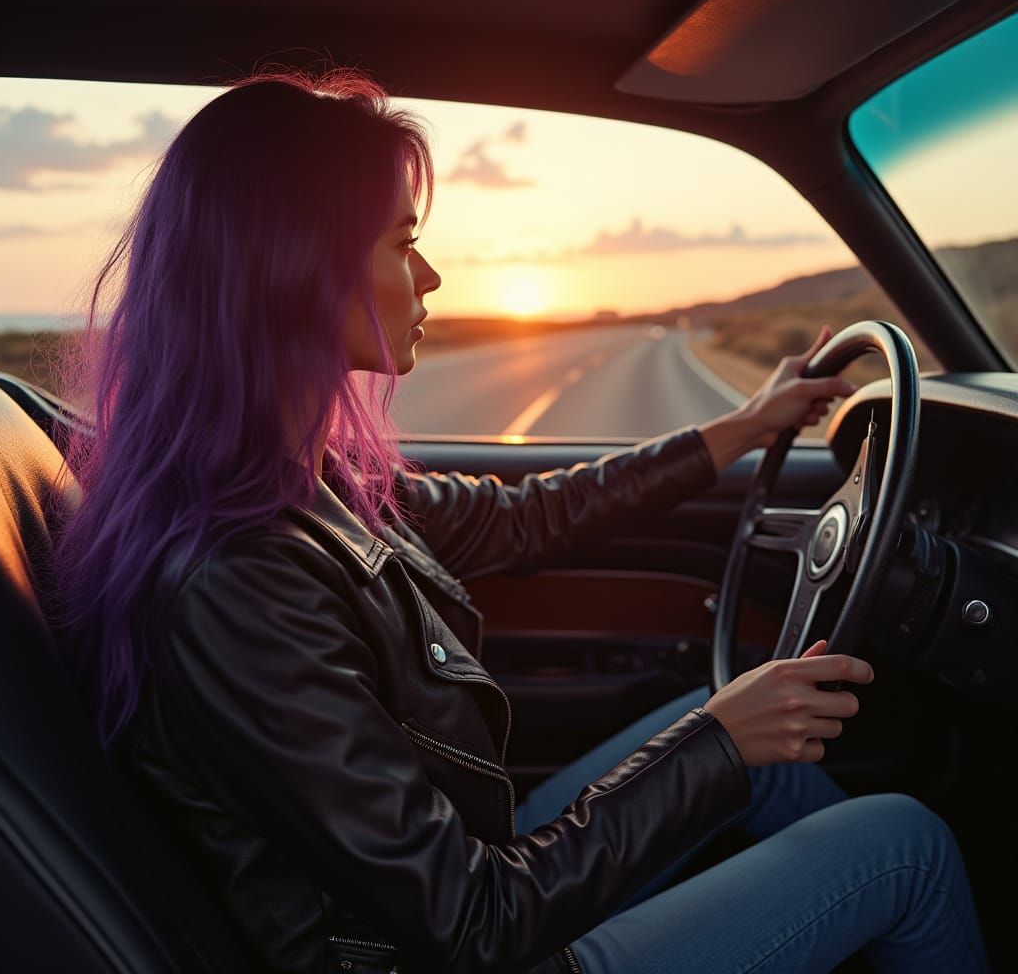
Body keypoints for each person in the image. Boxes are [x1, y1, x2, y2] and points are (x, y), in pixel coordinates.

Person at [53, 69, 989, 974]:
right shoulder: (238, 581)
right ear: (291, 269)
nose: (429, 276)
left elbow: (529, 514)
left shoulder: (304, 480)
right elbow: (473, 928)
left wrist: (741, 427)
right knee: (901, 845)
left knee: (753, 749)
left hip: (473, 879)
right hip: (474, 946)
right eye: (399, 242)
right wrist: (718, 743)